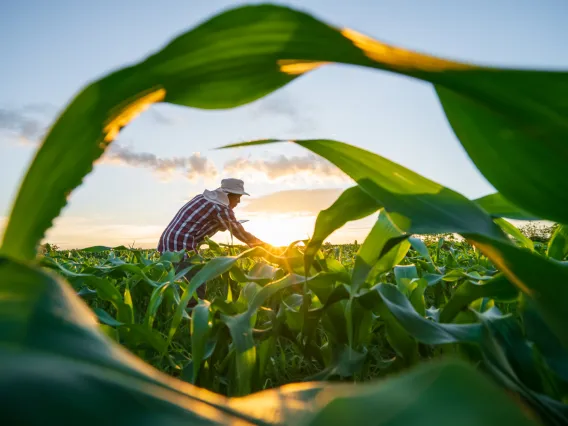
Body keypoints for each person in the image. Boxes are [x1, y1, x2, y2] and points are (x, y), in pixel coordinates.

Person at [157, 178, 268, 306]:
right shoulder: (221, 208)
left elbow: (201, 223)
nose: (238, 201)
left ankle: (175, 308)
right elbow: (239, 232)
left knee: (179, 279)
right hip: (181, 244)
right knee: (196, 280)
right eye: (237, 197)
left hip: (169, 240)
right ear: (227, 195)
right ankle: (193, 314)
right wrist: (264, 247)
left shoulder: (203, 199)